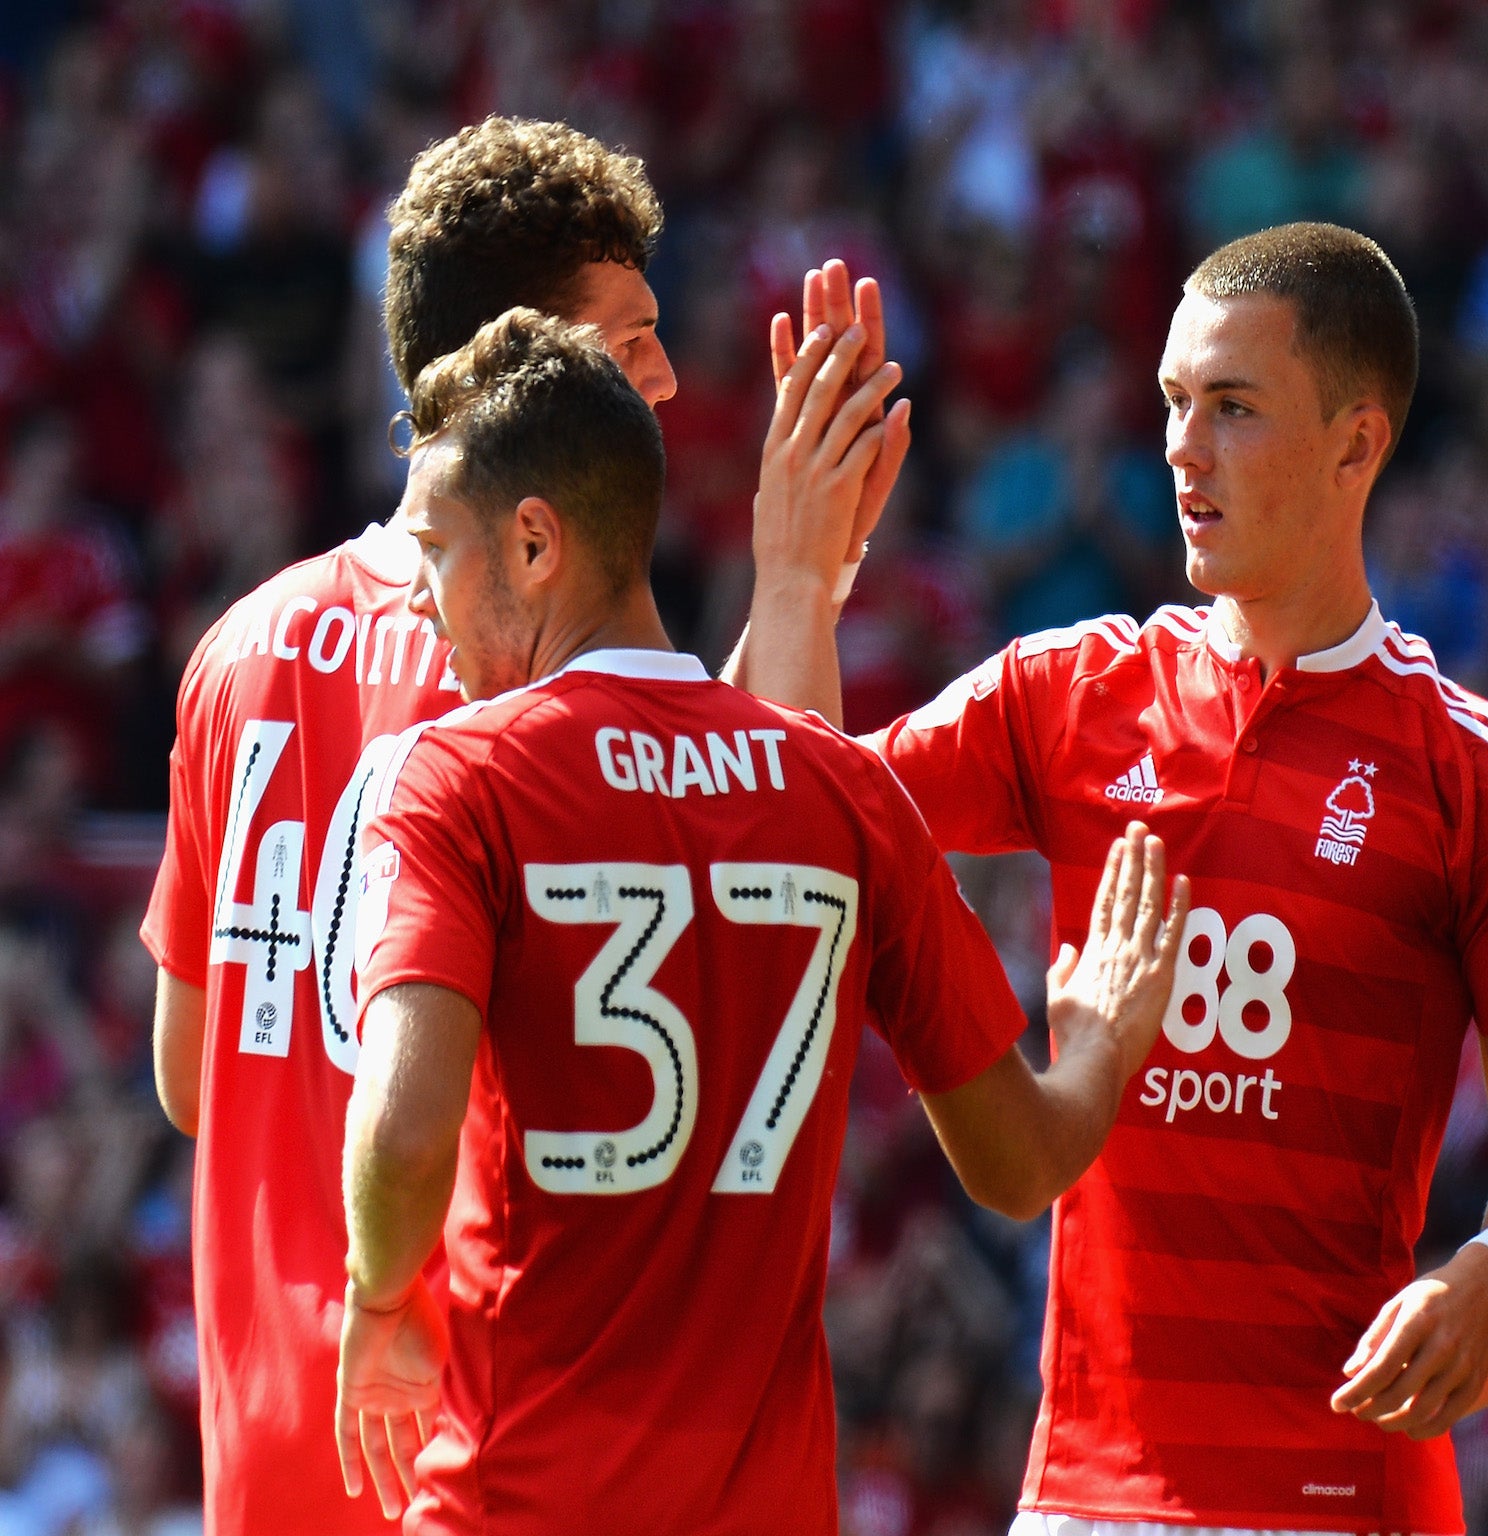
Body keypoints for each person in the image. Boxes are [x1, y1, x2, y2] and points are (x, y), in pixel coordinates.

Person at [740, 222, 1488, 1536]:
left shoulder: (1481, 778)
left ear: (1358, 445)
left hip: (1340, 1499)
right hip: (1084, 1494)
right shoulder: (1069, 695)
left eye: (1233, 409)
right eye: (1175, 404)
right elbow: (774, 843)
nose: (1183, 447)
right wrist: (798, 577)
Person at [333, 308, 1189, 1534]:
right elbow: (1019, 1166)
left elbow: (407, 1142)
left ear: (533, 546)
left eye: (433, 551)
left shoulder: (457, 778)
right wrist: (1100, 1039)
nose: (417, 597)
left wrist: (374, 1300)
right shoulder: (839, 787)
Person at [139, 116, 685, 1536]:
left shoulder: (239, 646)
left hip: (264, 1449)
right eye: (628, 342)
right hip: (463, 1441)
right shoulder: (532, 655)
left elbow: (190, 1085)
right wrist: (804, 589)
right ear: (527, 370)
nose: (666, 380)